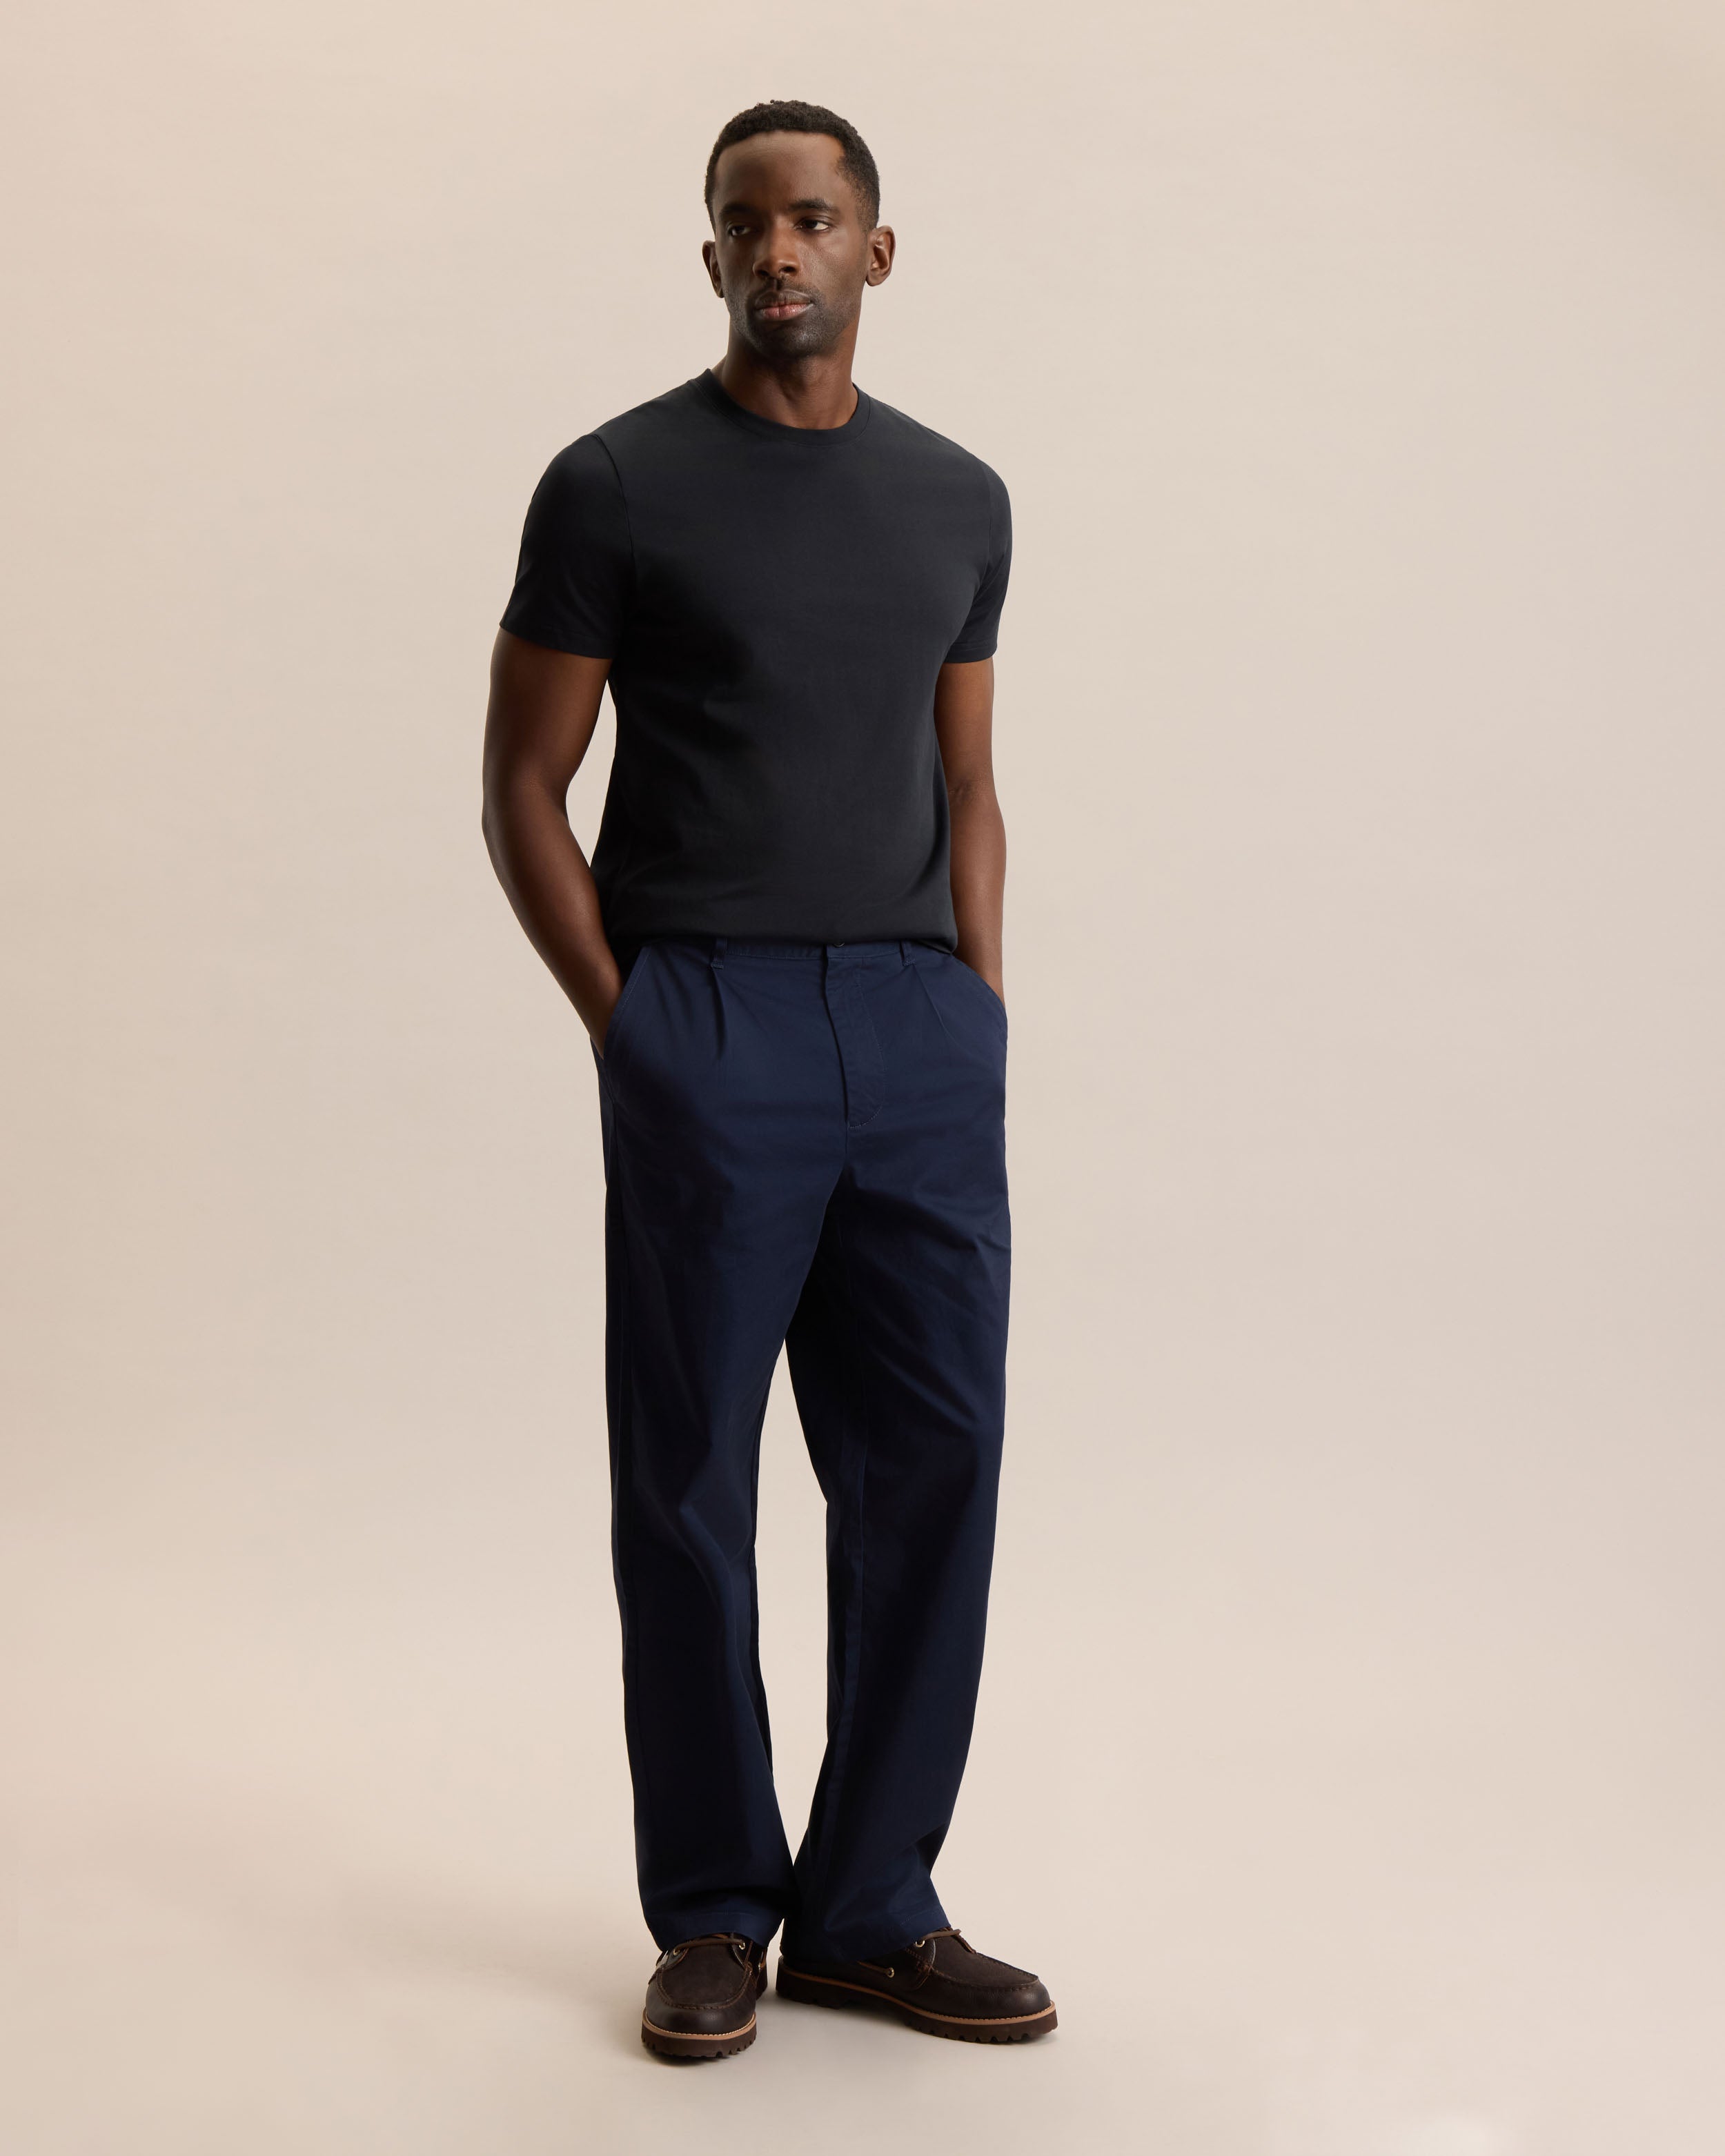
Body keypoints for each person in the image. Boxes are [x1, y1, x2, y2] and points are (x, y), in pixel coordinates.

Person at [482, 99, 1056, 2061]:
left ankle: (873, 1906)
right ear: (712, 254)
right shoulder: (614, 486)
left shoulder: (959, 499)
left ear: (875, 250)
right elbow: (523, 784)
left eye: (814, 218)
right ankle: (719, 1907)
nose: (780, 249)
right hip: (707, 1019)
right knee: (691, 1482)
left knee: (934, 1466)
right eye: (747, 222)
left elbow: (968, 779)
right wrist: (629, 1025)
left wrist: (977, 1005)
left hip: (915, 1030)